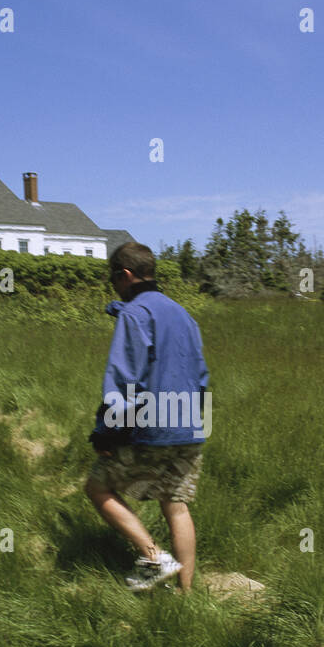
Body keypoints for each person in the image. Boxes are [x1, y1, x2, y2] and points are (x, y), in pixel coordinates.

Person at [86, 242, 209, 592]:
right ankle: (186, 595)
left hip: (153, 426)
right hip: (190, 424)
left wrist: (106, 432)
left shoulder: (134, 314)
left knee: (97, 487)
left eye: (113, 278)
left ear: (124, 275)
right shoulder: (184, 315)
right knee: (177, 505)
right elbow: (201, 377)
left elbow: (124, 380)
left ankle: (155, 557)